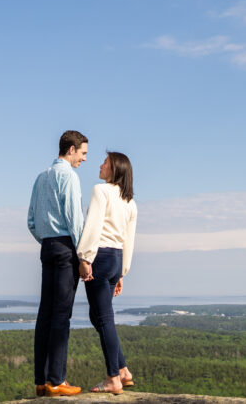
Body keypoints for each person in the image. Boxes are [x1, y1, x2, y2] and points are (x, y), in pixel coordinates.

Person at [27, 130, 88, 397]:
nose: (84, 159)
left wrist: (46, 240)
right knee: (61, 316)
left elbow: (31, 220)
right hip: (65, 248)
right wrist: (84, 255)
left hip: (47, 247)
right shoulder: (69, 177)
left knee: (45, 314)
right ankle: (57, 381)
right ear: (71, 150)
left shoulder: (41, 178)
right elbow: (75, 219)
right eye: (83, 153)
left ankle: (41, 381)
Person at [77, 151, 138, 395]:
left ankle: (114, 377)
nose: (100, 165)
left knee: (102, 318)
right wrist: (122, 272)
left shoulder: (100, 191)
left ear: (115, 170)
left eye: (106, 163)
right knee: (99, 316)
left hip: (99, 257)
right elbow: (129, 240)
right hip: (115, 259)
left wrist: (84, 257)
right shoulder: (130, 202)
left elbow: (93, 225)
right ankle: (122, 369)